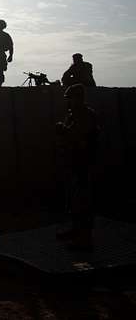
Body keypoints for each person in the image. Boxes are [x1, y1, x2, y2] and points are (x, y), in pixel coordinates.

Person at [56, 84, 99, 250]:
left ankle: (85, 238)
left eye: (71, 99)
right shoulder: (74, 115)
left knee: (84, 200)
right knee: (74, 199)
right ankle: (76, 229)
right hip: (74, 160)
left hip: (84, 161)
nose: (69, 102)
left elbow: (80, 136)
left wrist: (63, 130)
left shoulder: (86, 115)